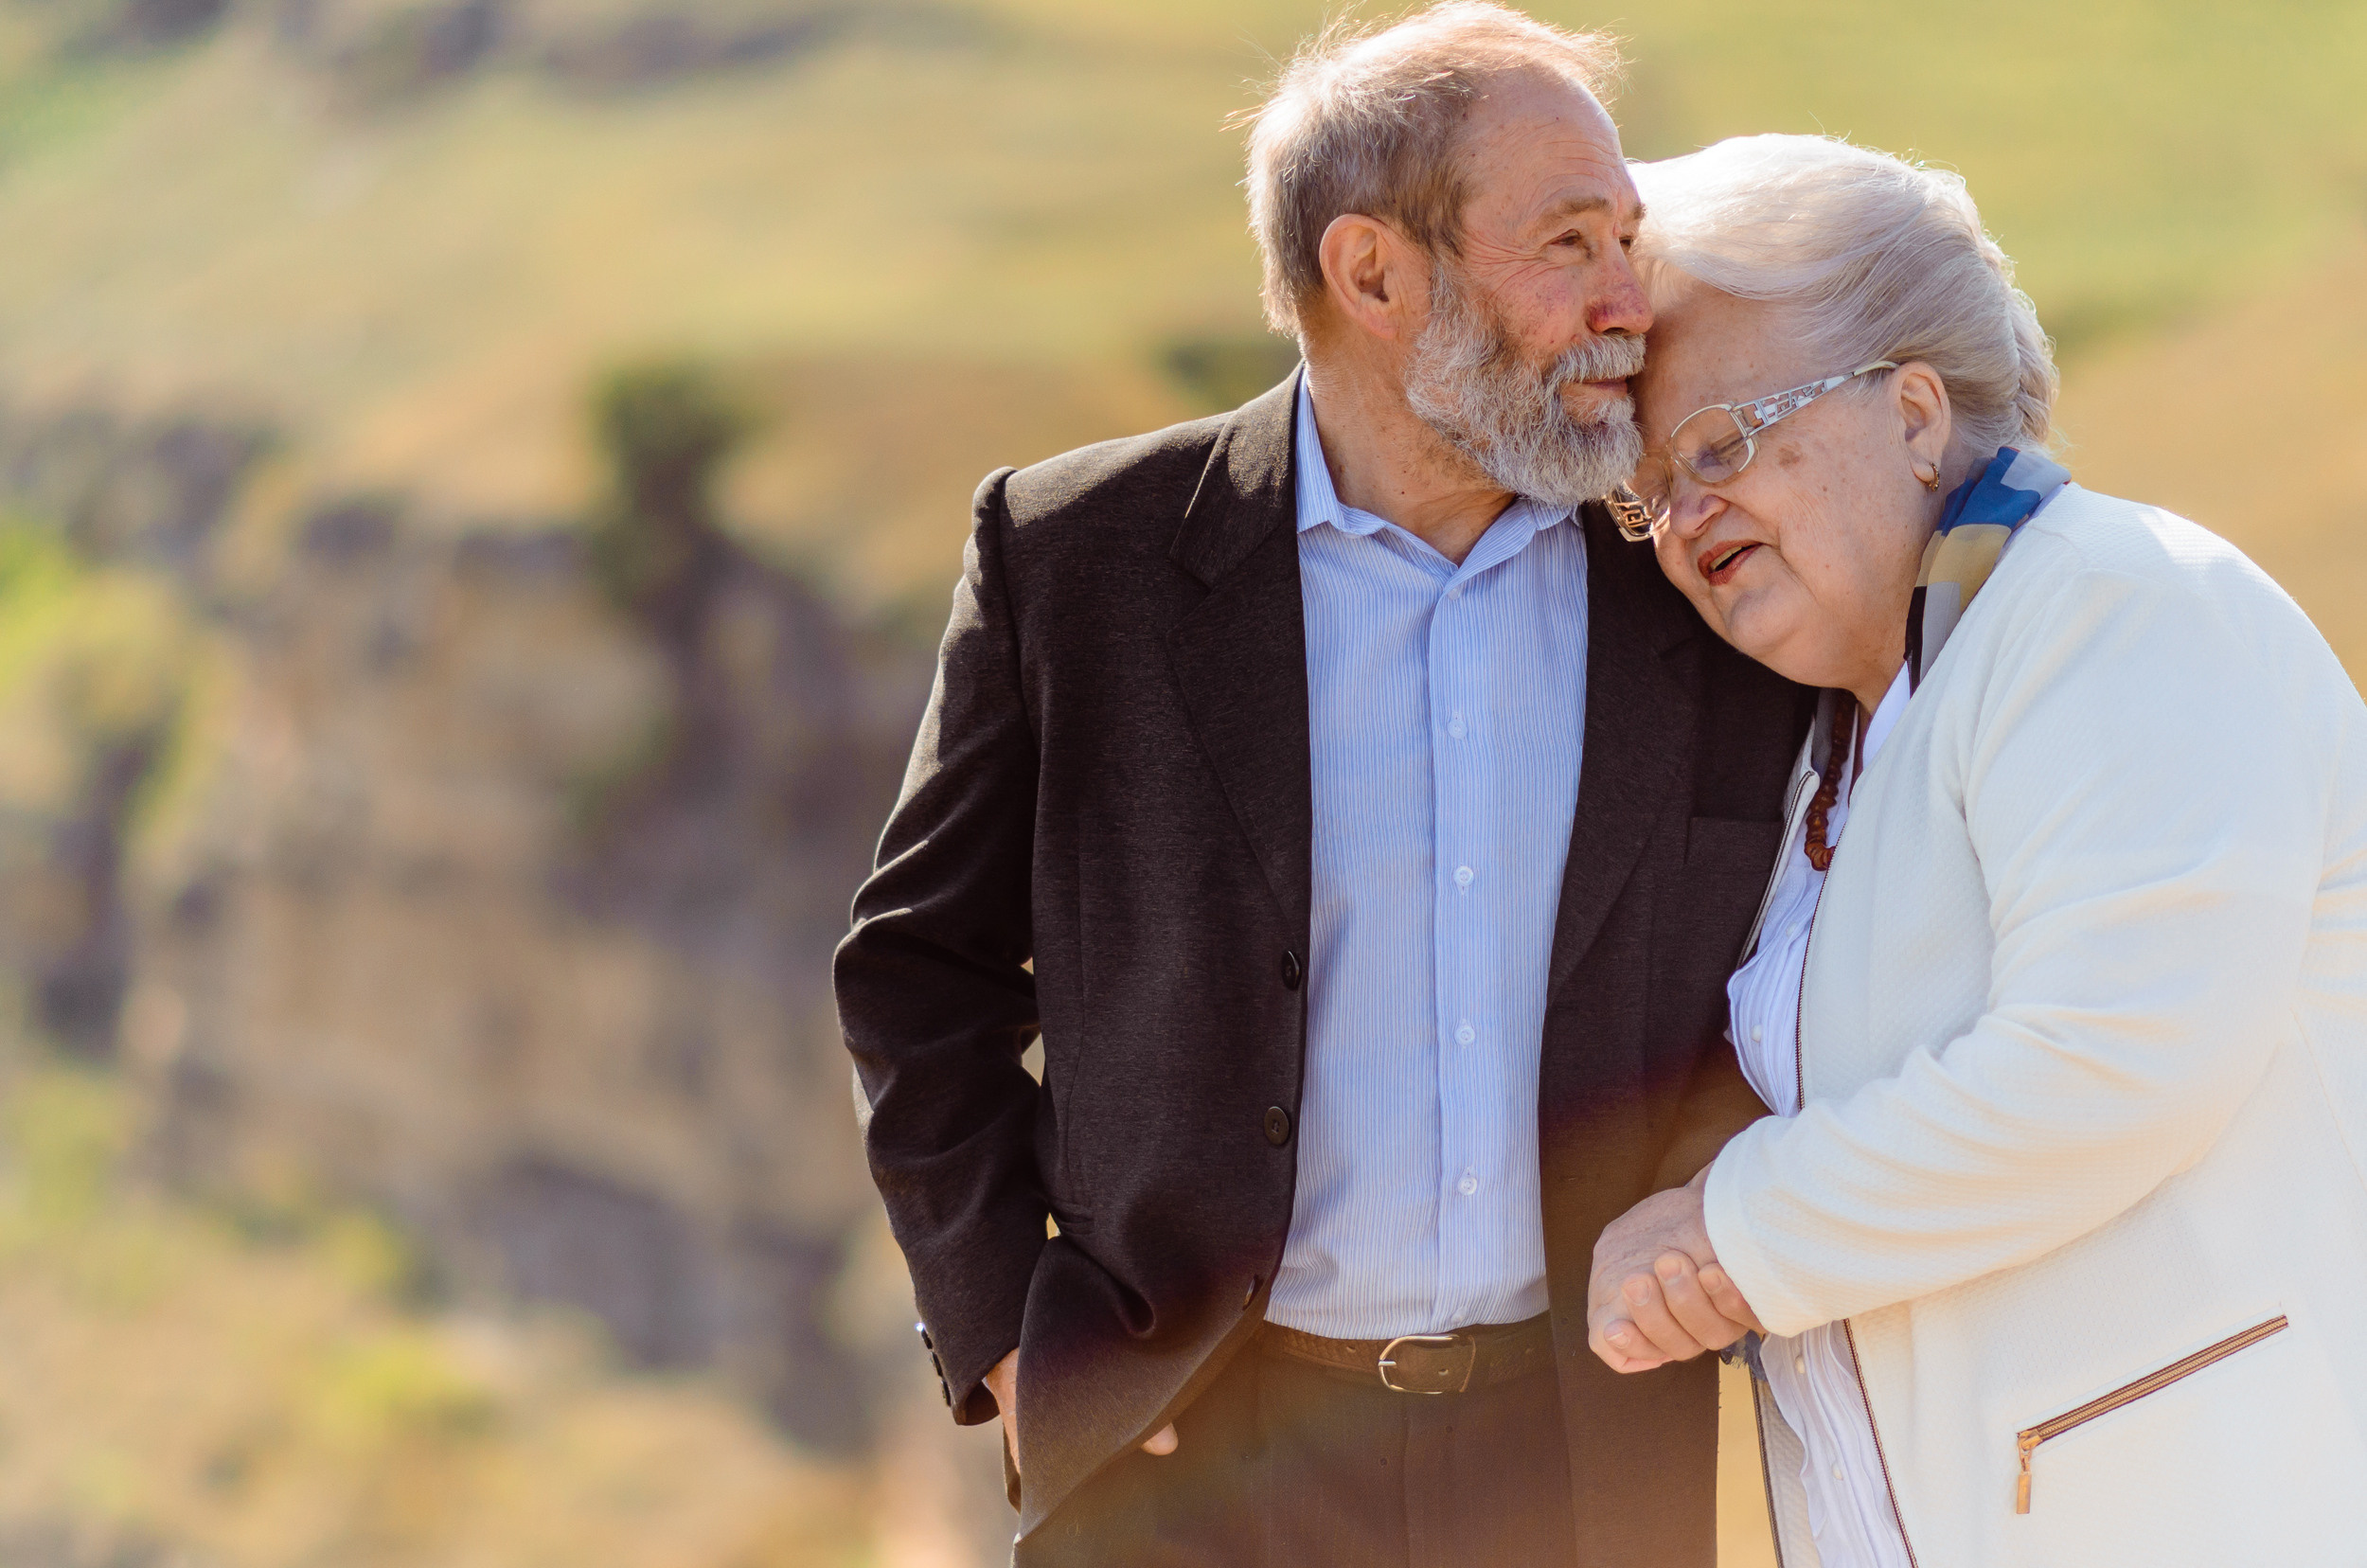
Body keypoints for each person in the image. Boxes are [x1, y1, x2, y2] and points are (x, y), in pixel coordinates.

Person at [834, 6, 1812, 1562]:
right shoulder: (1077, 559)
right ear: (1374, 274)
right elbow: (914, 973)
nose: (1632, 302)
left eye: (1628, 238)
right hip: (1194, 1466)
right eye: (1571, 247)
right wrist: (1015, 1344)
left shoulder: (1699, 583)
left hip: (1580, 1461)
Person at [1583, 133, 2367, 1568]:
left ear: (1915, 410)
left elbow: (2111, 1058)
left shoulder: (2120, 607)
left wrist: (1727, 1234)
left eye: (1718, 447)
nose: (1683, 520)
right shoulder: (1860, 732)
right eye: (1647, 491)